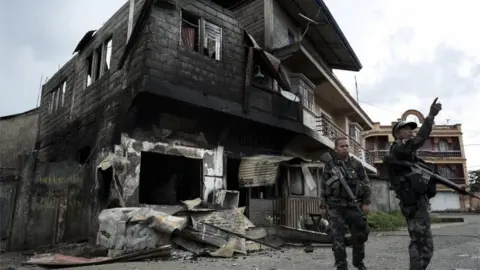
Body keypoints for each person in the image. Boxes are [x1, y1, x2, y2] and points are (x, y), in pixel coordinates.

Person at [386, 98, 442, 270]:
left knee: (423, 244)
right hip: (414, 204)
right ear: (397, 134)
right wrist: (430, 116)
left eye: (411, 129)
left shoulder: (409, 156)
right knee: (421, 243)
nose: (410, 132)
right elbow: (420, 138)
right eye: (406, 130)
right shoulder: (399, 149)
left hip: (418, 202)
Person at [320, 137, 372, 270]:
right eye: (342, 146)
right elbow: (323, 187)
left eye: (347, 146)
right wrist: (323, 206)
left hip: (354, 206)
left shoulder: (356, 164)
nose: (345, 148)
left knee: (359, 236)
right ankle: (341, 265)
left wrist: (366, 202)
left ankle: (358, 263)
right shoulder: (329, 165)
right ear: (336, 149)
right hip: (336, 207)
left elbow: (366, 183)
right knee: (337, 239)